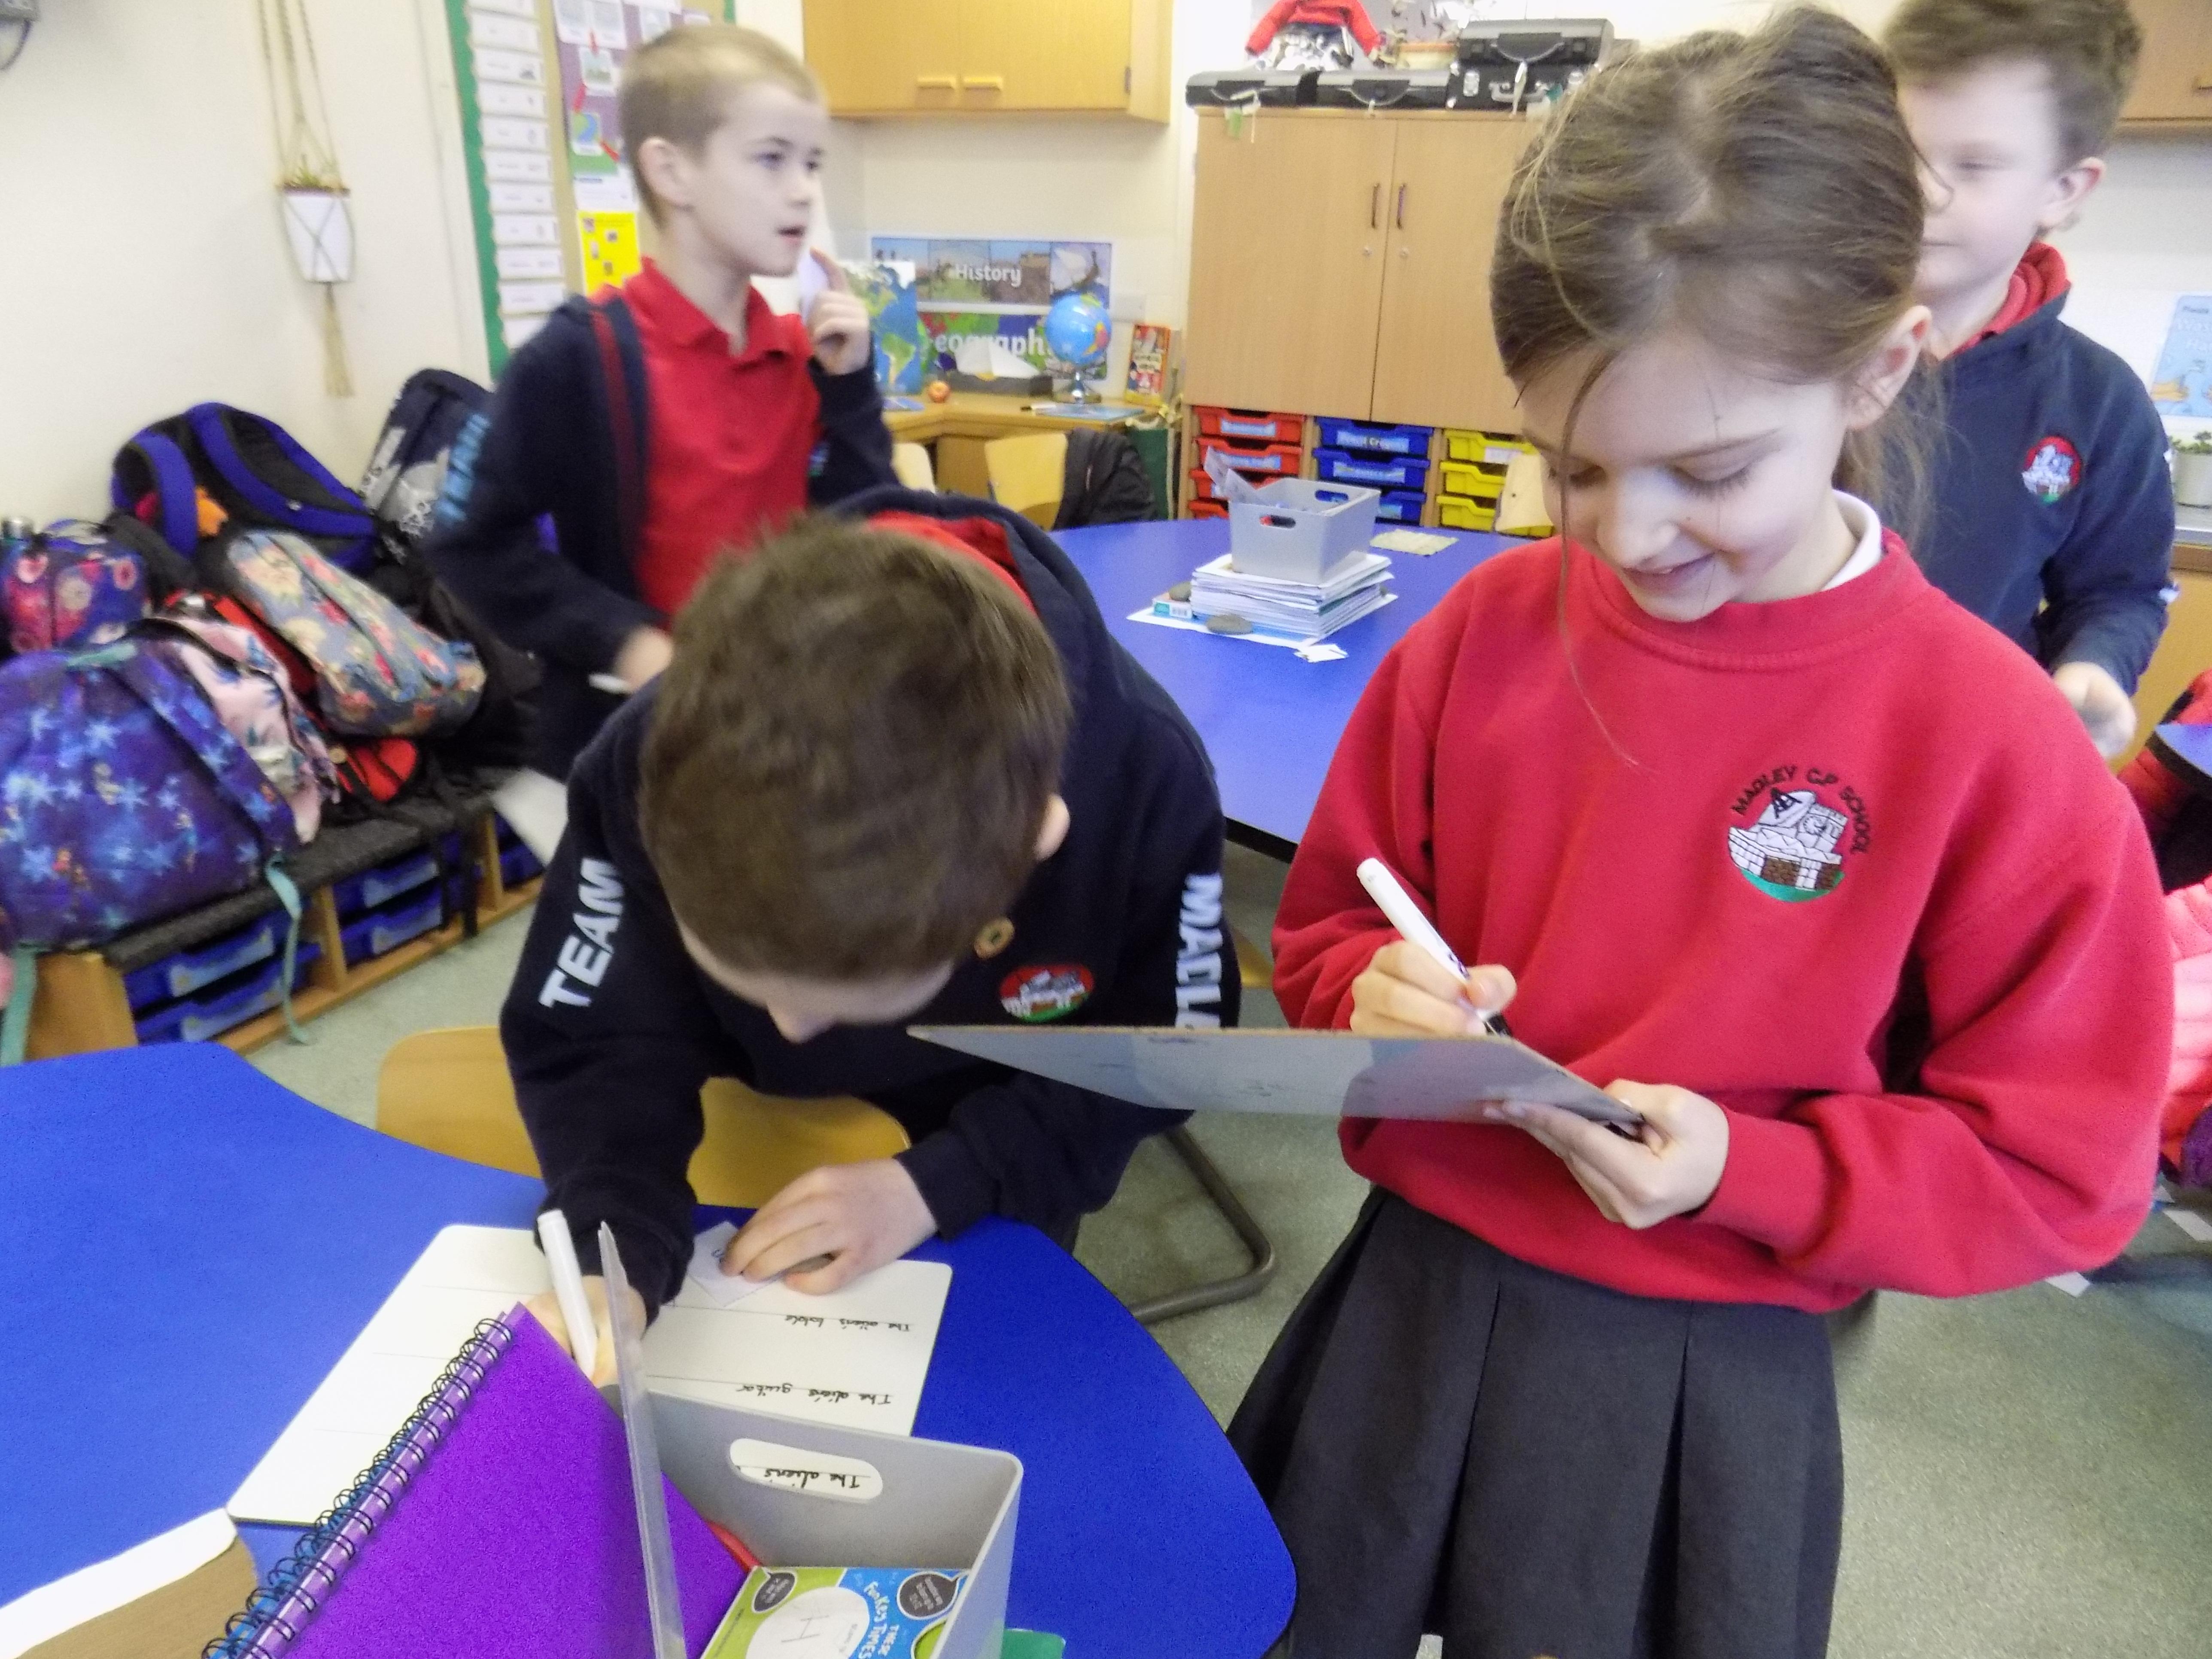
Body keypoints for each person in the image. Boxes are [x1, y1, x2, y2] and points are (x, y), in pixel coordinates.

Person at [1229, 14, 2168, 1657]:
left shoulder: (1987, 738)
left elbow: (2059, 1170)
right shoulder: (1477, 636)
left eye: (1711, 469)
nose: (1630, 533)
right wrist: (1368, 993)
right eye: (1572, 468)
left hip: (1702, 1358)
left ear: (1878, 370)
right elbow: (1324, 932)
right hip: (1413, 1291)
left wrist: (1756, 1168)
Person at [512, 493, 1237, 1369]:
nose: (788, 1031)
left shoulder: (1148, 781)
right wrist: (614, 1248)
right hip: (721, 1172)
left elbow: (1164, 1051)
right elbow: (596, 1039)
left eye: (840, 998)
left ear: (1033, 847)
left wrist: (946, 1180)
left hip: (993, 1156)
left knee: (981, 1394)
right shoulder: (650, 757)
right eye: (743, 978)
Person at [428, 24, 892, 781]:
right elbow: (471, 542)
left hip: (784, 740)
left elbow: (865, 532)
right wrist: (626, 642)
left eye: (813, 163)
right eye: (771, 159)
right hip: (643, 754)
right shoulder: (580, 356)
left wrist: (850, 390)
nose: (803, 189)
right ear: (672, 172)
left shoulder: (805, 354)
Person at [1885, 0, 2172, 758]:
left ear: (2065, 189)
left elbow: (2120, 590)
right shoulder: (1793, 352)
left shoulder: (2100, 403)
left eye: (1974, 165)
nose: (1922, 191)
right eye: (1898, 151)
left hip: (1968, 756)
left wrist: (2094, 667)